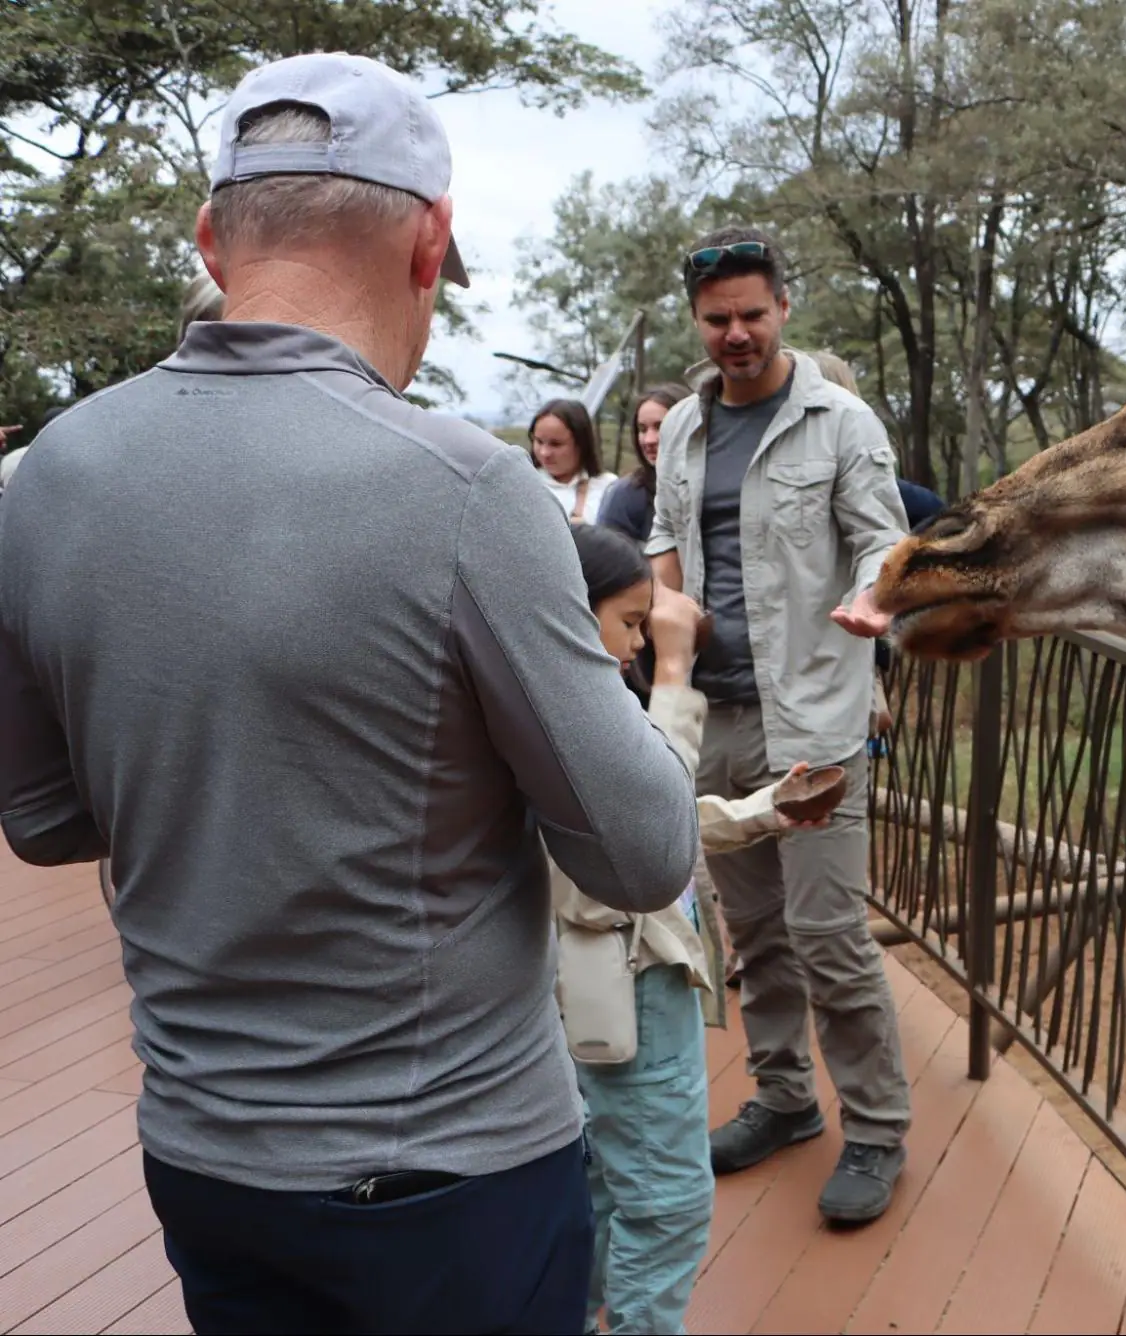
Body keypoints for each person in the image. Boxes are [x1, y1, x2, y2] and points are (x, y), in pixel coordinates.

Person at [0, 52, 699, 1335]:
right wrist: (663, 675)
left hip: (204, 1155)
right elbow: (646, 850)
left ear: (213, 241)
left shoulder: (45, 478)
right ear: (430, 246)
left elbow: (44, 820)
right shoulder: (467, 493)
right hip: (453, 1176)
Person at [646, 225, 913, 1225]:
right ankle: (786, 1098)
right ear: (697, 322)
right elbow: (667, 542)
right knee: (753, 933)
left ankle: (878, 1126)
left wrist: (874, 602)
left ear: (784, 308)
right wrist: (664, 626)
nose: (736, 335)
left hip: (816, 718)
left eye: (752, 315)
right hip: (715, 716)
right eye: (718, 320)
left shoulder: (841, 422)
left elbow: (885, 542)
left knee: (828, 932)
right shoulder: (682, 428)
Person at [556, 523, 819, 1334]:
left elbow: (649, 818)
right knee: (666, 1201)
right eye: (627, 620)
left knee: (601, 1182)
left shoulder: (548, 702)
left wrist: (759, 810)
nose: (639, 640)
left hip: (603, 987)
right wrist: (674, 670)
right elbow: (642, 835)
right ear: (572, 607)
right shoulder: (572, 712)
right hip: (626, 984)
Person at [601, 384, 691, 544]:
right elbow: (610, 561)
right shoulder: (625, 495)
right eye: (642, 429)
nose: (649, 440)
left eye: (660, 427)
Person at [532, 397, 620, 524]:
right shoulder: (523, 486)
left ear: (581, 444)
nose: (544, 453)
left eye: (556, 444)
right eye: (539, 442)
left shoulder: (609, 488)